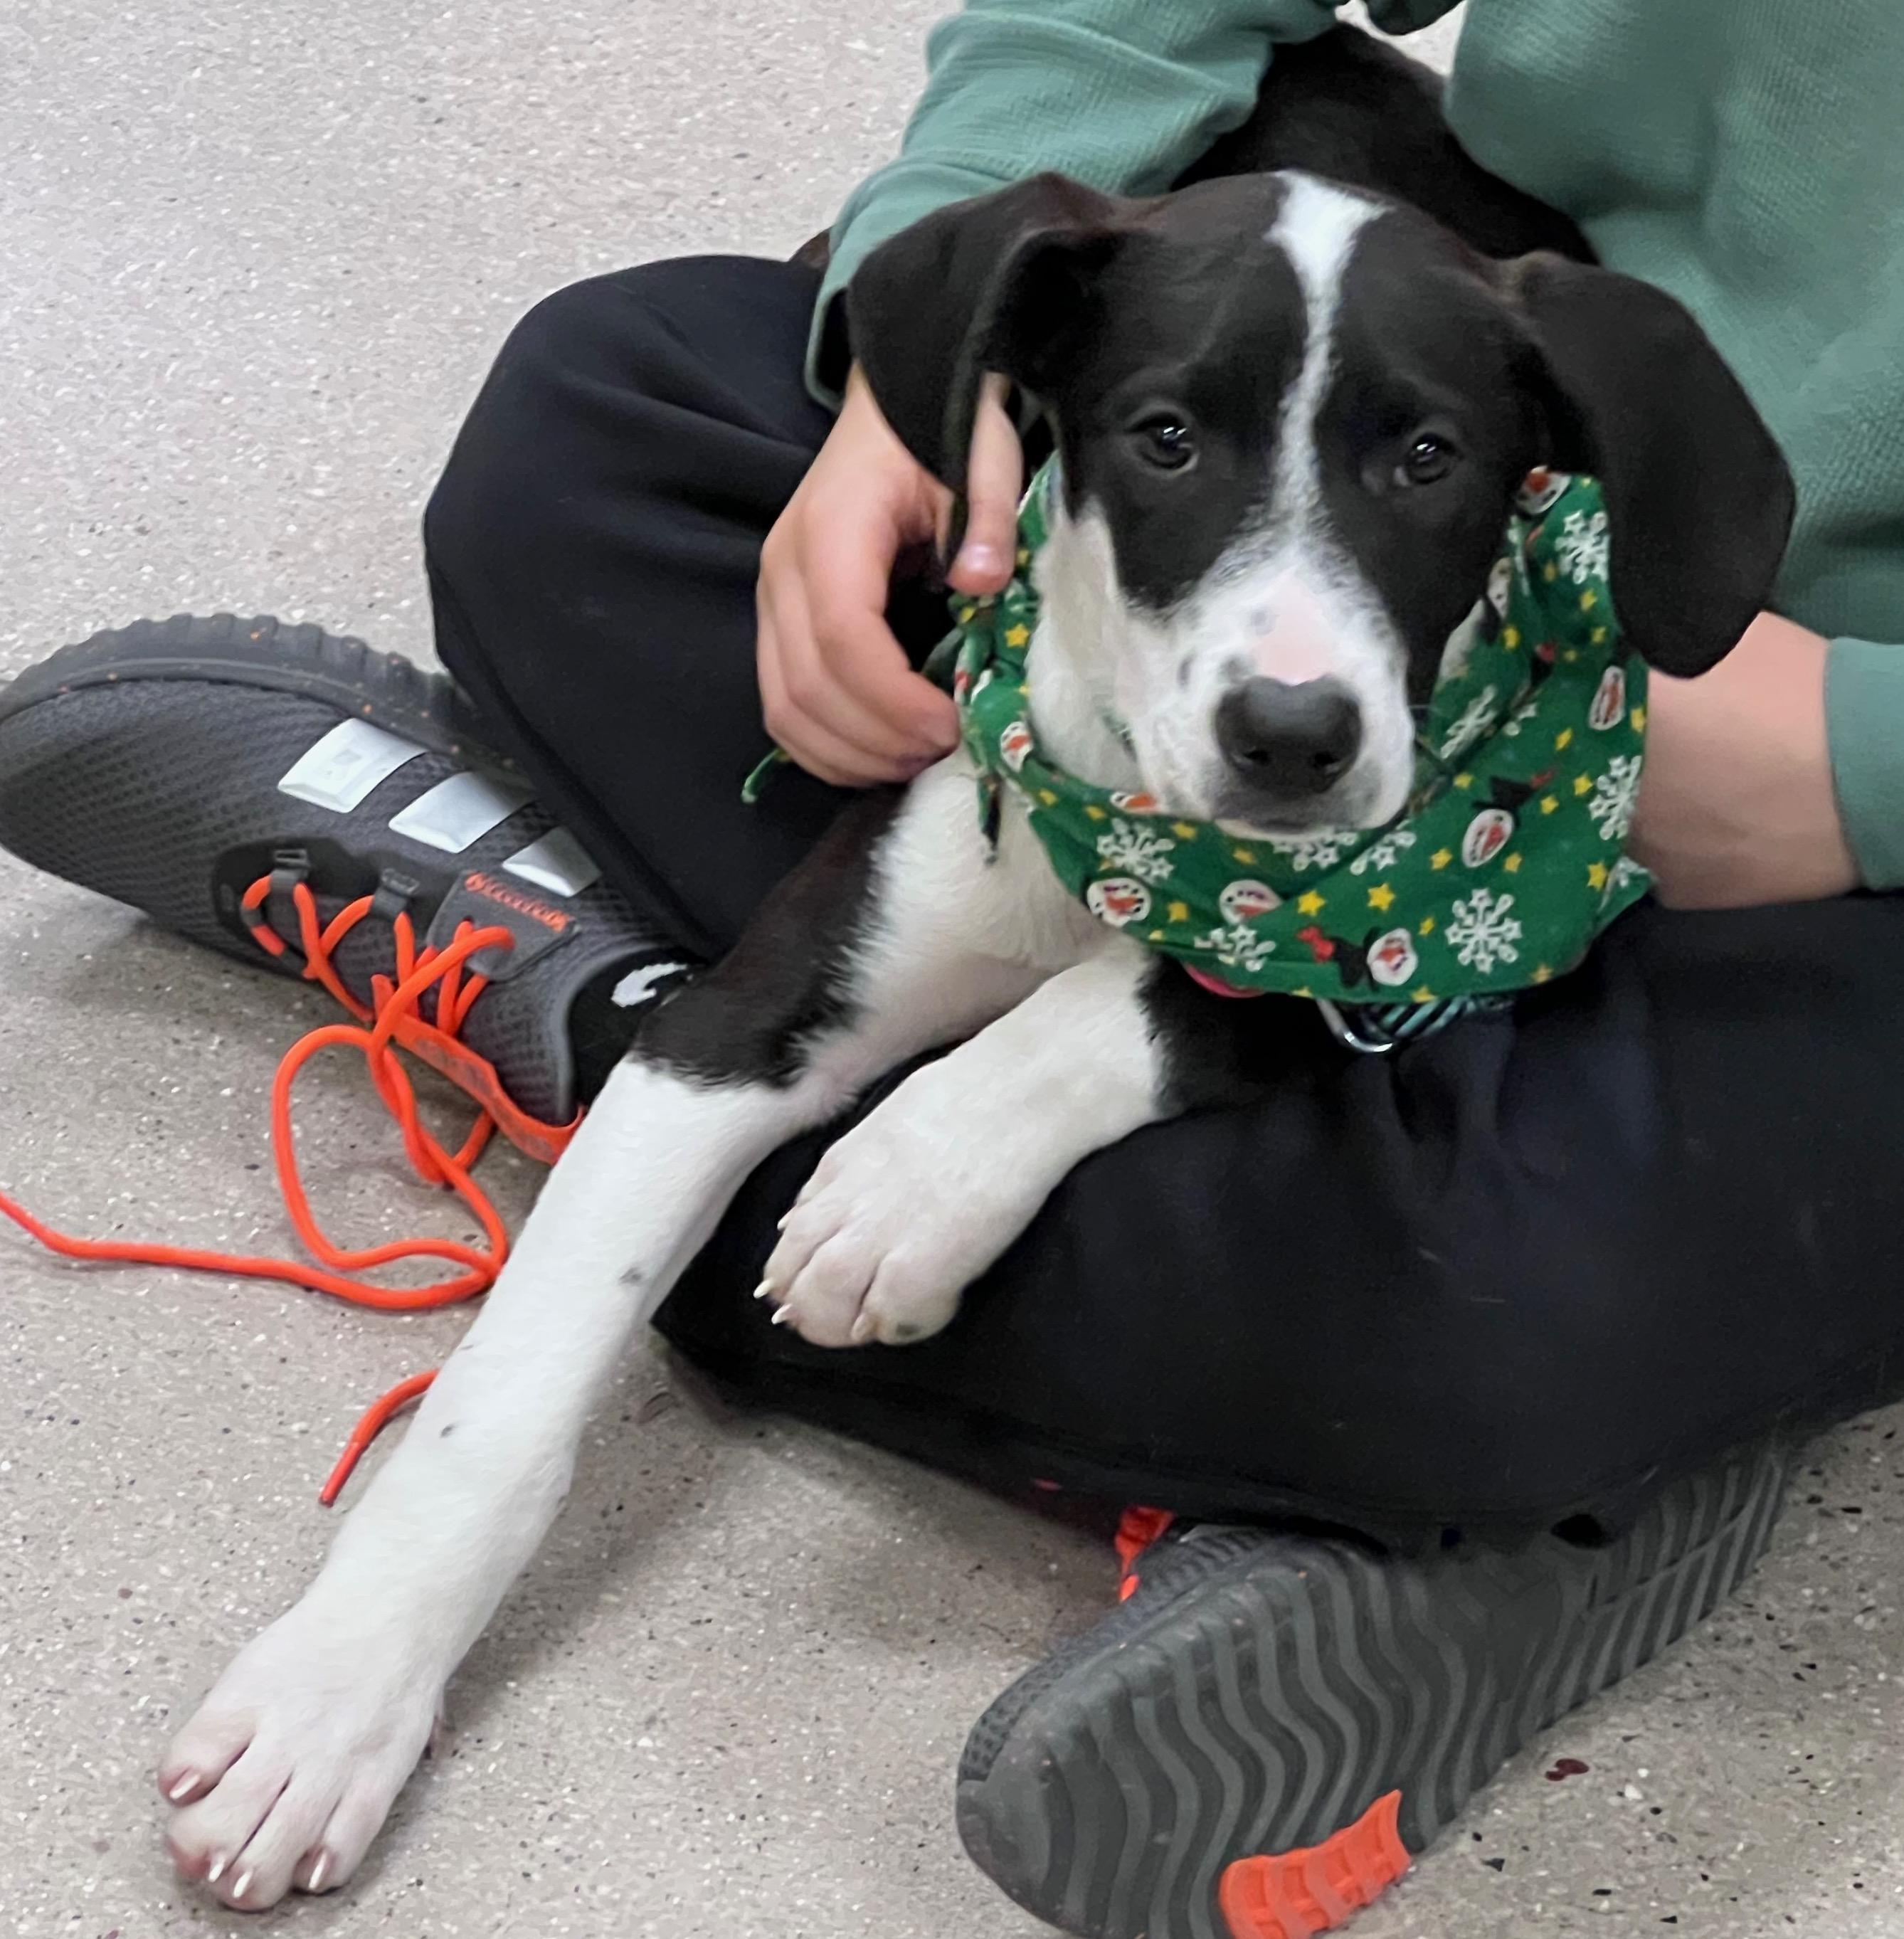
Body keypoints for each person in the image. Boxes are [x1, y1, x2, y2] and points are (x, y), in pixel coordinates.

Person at [3, 1, 1903, 1930]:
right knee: (595, 411)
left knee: (1507, 1310)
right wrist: (911, 417)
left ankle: (599, 1006)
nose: (1287, 668)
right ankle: (1343, 1423)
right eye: (1153, 437)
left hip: (1794, 737)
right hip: (1466, 317)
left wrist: (1859, 769)